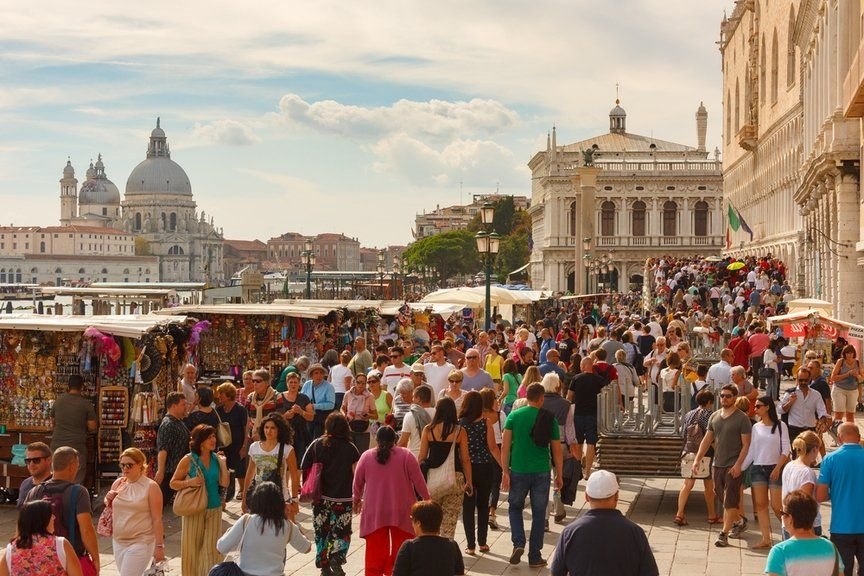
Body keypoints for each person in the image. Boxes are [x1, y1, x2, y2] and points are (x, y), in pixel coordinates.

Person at [353, 426, 431, 576]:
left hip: (374, 511)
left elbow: (357, 482)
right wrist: (427, 500)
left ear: (376, 440)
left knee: (374, 555)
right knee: (401, 552)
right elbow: (419, 481)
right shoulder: (406, 455)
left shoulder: (366, 456)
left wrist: (356, 499)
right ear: (395, 440)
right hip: (402, 510)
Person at [501, 382, 564, 568]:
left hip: (518, 469)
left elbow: (505, 446)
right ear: (542, 398)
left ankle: (518, 542)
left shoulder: (513, 415)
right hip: (541, 470)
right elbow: (556, 449)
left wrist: (505, 470)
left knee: (515, 508)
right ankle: (535, 555)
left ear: (526, 396)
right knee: (538, 513)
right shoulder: (549, 419)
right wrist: (558, 474)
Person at [550, 470, 658, 576]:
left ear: (586, 497)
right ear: (616, 496)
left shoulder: (569, 533)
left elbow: (556, 573)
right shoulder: (635, 532)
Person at [691, 383, 752, 548]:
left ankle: (723, 534)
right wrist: (697, 459)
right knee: (721, 496)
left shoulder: (742, 418)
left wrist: (739, 464)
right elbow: (707, 439)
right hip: (717, 463)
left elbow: (746, 444)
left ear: (735, 397)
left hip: (733, 465)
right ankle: (740, 520)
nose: (724, 398)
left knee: (729, 501)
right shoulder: (715, 416)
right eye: (722, 396)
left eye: (728, 396)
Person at [301, 413, 360, 576]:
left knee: (321, 530)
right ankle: (337, 558)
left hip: (321, 497)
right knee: (342, 530)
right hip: (344, 497)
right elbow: (357, 472)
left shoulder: (317, 444)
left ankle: (324, 564)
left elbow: (304, 465)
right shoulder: (351, 447)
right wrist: (358, 495)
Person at [23, 447, 99, 574]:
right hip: (71, 558)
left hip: (41, 559)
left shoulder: (35, 491)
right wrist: (95, 557)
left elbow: (23, 526)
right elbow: (86, 529)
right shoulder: (79, 492)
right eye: (77, 465)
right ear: (72, 466)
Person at [170, 424, 230, 576]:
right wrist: (189, 482)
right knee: (192, 550)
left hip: (214, 508)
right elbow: (173, 483)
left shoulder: (216, 458)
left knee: (211, 550)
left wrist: (223, 464)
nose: (213, 440)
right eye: (209, 437)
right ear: (200, 441)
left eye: (214, 436)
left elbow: (224, 483)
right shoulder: (188, 459)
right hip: (194, 509)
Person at [217, 481, 311, 576]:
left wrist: (229, 532)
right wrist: (293, 522)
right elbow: (306, 548)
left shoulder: (247, 521)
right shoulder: (287, 526)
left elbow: (221, 548)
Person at [418, 397, 473, 540]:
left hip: (433, 479)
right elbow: (465, 459)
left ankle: (433, 548)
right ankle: (447, 546)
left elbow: (422, 458)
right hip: (455, 478)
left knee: (433, 518)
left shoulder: (428, 430)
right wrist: (469, 481)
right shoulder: (460, 431)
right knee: (450, 519)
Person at [105, 448, 165, 576]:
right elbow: (110, 508)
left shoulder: (151, 487)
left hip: (141, 542)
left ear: (140, 465)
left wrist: (159, 546)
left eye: (129, 465)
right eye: (122, 465)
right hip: (118, 541)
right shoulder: (117, 484)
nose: (125, 468)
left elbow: (157, 519)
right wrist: (107, 499)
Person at [742, 395, 790, 549]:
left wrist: (777, 468)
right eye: (754, 406)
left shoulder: (781, 426)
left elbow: (786, 449)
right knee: (761, 505)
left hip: (775, 467)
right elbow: (752, 450)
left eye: (758, 406)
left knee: (777, 506)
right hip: (758, 468)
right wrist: (740, 468)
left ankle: (789, 535)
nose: (755, 409)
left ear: (767, 407)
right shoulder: (756, 427)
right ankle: (766, 539)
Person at [817, 422, 864, 576]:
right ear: (859, 437)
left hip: (841, 526)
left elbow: (821, 496)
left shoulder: (830, 459)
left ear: (839, 437)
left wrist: (836, 491)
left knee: (843, 571)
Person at [458, 391, 501, 555]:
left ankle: (470, 545)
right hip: (485, 467)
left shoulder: (460, 424)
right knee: (483, 505)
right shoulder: (486, 423)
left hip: (467, 469)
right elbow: (492, 447)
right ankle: (483, 542)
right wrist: (504, 468)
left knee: (468, 508)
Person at [766, 490, 842, 576]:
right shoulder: (831, 548)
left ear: (790, 518)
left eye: (782, 513)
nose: (782, 516)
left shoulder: (779, 551)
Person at [0, 500, 83, 576]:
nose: (54, 517)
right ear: (42, 520)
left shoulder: (11, 549)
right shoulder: (61, 544)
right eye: (51, 515)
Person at [242, 414, 300, 520]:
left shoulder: (287, 449)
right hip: (259, 497)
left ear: (279, 430)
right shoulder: (254, 447)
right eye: (266, 427)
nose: (268, 431)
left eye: (272, 428)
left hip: (281, 497)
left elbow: (294, 476)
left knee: (288, 531)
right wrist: (244, 498)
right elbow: (249, 475)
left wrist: (295, 499)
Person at [674, 389, 719, 526]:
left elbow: (683, 434)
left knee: (687, 485)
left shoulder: (688, 414)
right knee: (708, 486)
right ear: (710, 402)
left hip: (688, 451)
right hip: (705, 453)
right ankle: (712, 515)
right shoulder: (711, 415)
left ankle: (679, 513)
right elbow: (710, 436)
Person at [393, 500, 465, 576]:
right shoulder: (452, 545)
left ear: (418, 523)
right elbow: (459, 574)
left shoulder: (409, 547)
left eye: (412, 519)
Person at [50, 375, 97, 485]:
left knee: (57, 473)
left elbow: (52, 422)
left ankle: (57, 496)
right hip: (76, 445)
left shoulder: (58, 401)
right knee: (77, 474)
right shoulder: (86, 404)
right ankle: (73, 498)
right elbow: (92, 426)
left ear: (68, 386)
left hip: (57, 444)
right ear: (82, 387)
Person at [566, 356, 609, 477]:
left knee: (579, 442)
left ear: (584, 366)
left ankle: (579, 468)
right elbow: (605, 396)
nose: (580, 367)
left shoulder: (576, 378)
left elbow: (569, 397)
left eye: (581, 365)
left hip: (578, 414)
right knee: (591, 443)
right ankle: (588, 471)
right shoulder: (599, 380)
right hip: (593, 414)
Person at [782, 431, 822, 537]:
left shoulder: (789, 465)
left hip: (788, 523)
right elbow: (805, 505)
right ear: (814, 449)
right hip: (804, 528)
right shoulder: (807, 472)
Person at [216, 382, 249, 503]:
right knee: (224, 469)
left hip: (238, 444)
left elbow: (246, 428)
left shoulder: (240, 409)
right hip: (223, 445)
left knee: (240, 469)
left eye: (221, 394)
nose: (219, 396)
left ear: (229, 394)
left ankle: (242, 491)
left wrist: (244, 446)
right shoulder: (218, 409)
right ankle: (225, 495)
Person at [155, 391, 189, 506]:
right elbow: (162, 449)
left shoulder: (178, 421)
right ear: (174, 406)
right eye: (183, 405)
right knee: (159, 504)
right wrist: (161, 471)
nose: (186, 407)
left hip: (177, 471)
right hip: (169, 472)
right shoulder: (168, 424)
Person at [780, 366, 829, 443]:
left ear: (810, 379)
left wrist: (822, 420)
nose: (803, 382)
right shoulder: (790, 393)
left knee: (811, 454)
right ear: (797, 379)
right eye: (800, 380)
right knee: (796, 454)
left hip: (811, 429)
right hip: (794, 430)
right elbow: (781, 410)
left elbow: (822, 410)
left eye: (806, 380)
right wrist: (790, 402)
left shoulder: (816, 394)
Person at [278, 371, 314, 465]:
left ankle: (297, 480)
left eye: (295, 382)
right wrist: (285, 416)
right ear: (287, 383)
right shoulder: (279, 397)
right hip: (284, 434)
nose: (293, 384)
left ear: (299, 384)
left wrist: (301, 412)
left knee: (299, 463)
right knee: (285, 463)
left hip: (300, 435)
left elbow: (311, 417)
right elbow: (274, 418)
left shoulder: (304, 398)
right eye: (291, 382)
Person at [342, 373, 377, 453]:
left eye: (363, 383)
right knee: (349, 455)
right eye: (358, 382)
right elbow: (342, 408)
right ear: (354, 382)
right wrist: (345, 416)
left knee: (362, 455)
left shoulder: (370, 396)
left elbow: (375, 416)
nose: (360, 385)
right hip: (350, 428)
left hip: (363, 429)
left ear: (366, 384)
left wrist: (368, 415)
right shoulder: (348, 394)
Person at [829, 344, 864, 424]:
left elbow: (862, 379)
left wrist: (857, 376)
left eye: (851, 353)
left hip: (852, 390)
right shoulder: (840, 362)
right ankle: (836, 432)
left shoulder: (857, 363)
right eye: (847, 353)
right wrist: (847, 374)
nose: (849, 355)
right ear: (844, 354)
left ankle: (850, 433)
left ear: (854, 353)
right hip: (839, 389)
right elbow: (833, 378)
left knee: (850, 414)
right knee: (839, 414)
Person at [398, 384, 435, 458]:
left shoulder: (410, 415)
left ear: (418, 399)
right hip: (433, 456)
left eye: (414, 397)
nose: (412, 399)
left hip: (414, 457)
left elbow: (403, 442)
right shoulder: (438, 414)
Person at [302, 363, 336, 439]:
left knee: (317, 441)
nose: (319, 375)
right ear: (311, 375)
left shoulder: (329, 387)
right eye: (316, 373)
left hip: (321, 419)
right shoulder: (307, 384)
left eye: (321, 373)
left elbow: (331, 404)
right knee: (307, 440)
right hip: (308, 417)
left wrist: (314, 406)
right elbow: (302, 398)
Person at [247, 369, 281, 439]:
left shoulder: (276, 397)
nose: (255, 384)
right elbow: (247, 418)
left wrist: (261, 433)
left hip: (271, 438)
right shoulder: (250, 397)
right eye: (253, 381)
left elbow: (278, 420)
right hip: (253, 436)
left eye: (258, 381)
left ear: (267, 383)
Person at [17, 442, 52, 508]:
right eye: (28, 461)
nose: (31, 464)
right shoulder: (25, 484)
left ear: (48, 460)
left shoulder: (57, 486)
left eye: (36, 460)